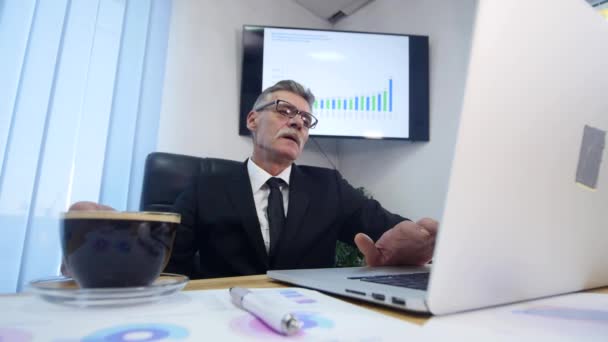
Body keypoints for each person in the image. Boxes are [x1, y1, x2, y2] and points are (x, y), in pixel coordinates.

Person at [67, 80, 438, 279]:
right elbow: (166, 260)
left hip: (310, 324)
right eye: (285, 111)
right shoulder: (206, 186)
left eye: (306, 120)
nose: (297, 122)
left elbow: (390, 232)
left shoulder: (330, 186)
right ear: (252, 120)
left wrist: (416, 241)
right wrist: (105, 246)